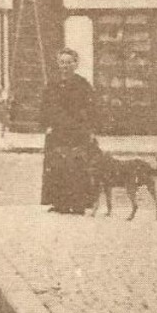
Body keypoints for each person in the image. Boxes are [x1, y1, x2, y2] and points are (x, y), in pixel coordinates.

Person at [40, 47, 99, 214]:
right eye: (62, 62)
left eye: (69, 62)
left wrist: (89, 128)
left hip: (77, 131)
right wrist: (48, 125)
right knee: (57, 166)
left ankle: (79, 203)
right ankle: (59, 203)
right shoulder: (52, 84)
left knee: (78, 166)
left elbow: (91, 107)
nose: (65, 66)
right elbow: (46, 107)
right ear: (58, 64)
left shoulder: (83, 85)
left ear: (76, 64)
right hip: (58, 131)